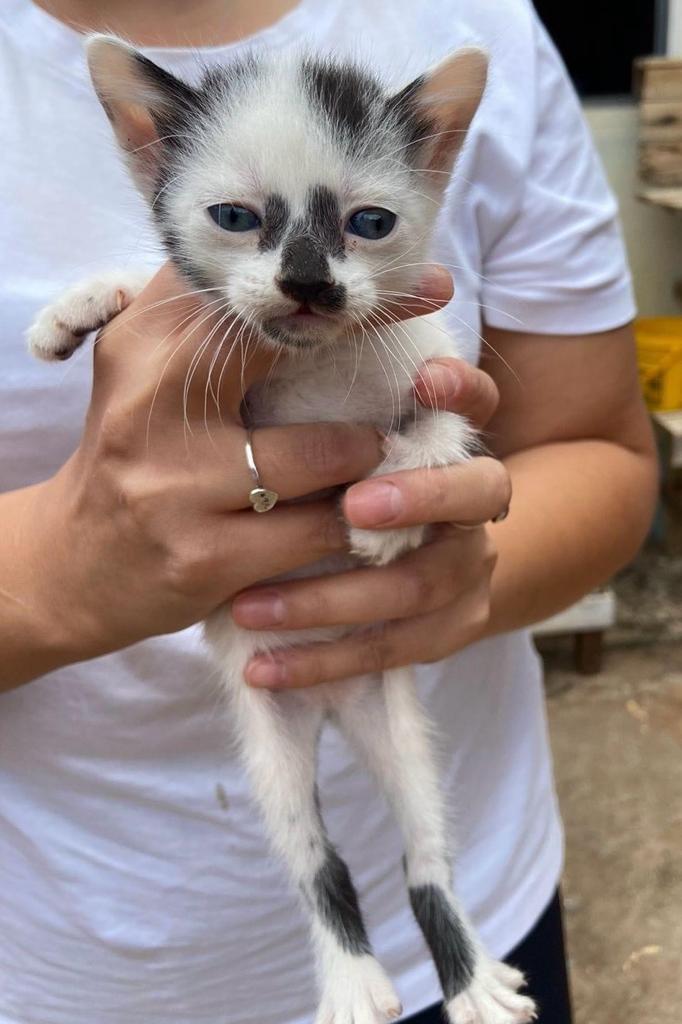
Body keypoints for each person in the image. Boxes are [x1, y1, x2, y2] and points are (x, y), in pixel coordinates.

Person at [0, 1, 657, 1023]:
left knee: (411, 794)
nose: (306, 280)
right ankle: (342, 949)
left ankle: (452, 948)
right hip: (58, 959)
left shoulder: (482, 23)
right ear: (148, 159)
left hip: (495, 842)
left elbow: (604, 452)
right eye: (236, 220)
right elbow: (174, 294)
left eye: (366, 225)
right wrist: (49, 576)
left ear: (428, 172)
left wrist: (454, 550)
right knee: (287, 783)